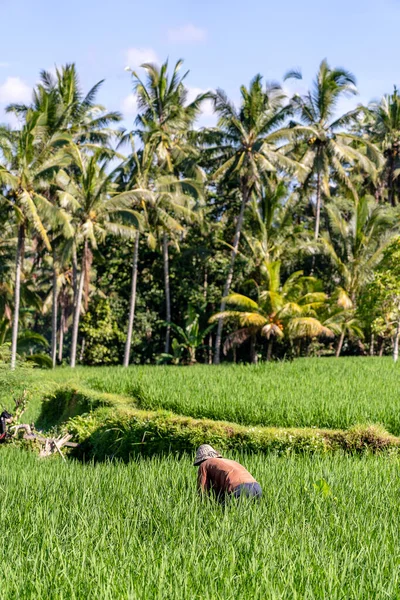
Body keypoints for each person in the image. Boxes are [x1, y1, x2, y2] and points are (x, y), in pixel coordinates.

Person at [194, 444, 262, 501]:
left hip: (239, 489)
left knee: (228, 513)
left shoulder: (204, 464)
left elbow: (202, 490)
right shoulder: (228, 461)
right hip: (257, 487)